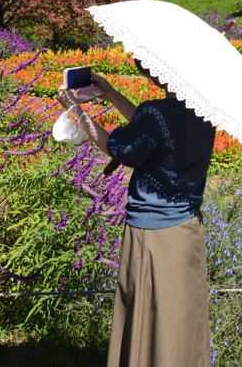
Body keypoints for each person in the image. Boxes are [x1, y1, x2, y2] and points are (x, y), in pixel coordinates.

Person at [56, 59, 216, 367]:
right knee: (180, 320)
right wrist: (113, 95)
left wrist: (76, 112)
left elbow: (117, 147)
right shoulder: (204, 112)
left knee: (146, 320)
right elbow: (157, 132)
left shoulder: (159, 115)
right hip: (187, 233)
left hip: (152, 236)